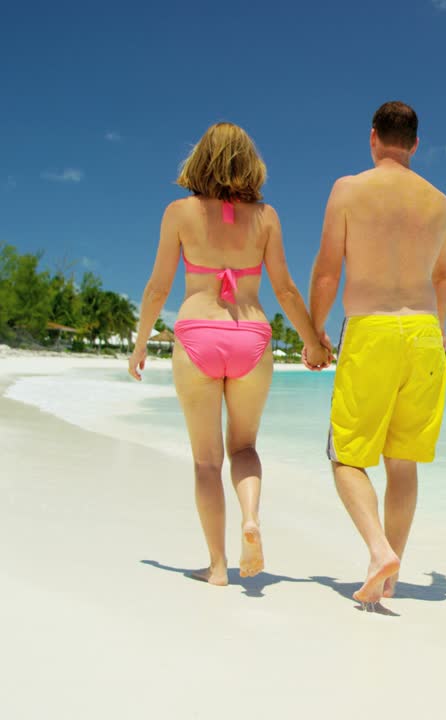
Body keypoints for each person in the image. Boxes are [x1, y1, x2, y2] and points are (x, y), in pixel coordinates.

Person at [130, 122, 330, 586]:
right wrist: (314, 342)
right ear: (249, 162)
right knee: (244, 447)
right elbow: (284, 288)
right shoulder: (267, 217)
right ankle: (251, 517)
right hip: (251, 335)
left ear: (199, 158)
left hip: (197, 332)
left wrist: (140, 343)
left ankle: (218, 567)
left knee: (206, 462)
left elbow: (159, 286)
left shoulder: (178, 213)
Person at [308, 101, 446, 605]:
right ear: (415, 143)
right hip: (424, 331)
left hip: (370, 329)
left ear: (373, 138)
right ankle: (391, 577)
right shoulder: (440, 203)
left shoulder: (348, 190)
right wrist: (438, 331)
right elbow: (443, 279)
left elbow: (328, 270)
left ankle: (377, 550)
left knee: (346, 456)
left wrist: (314, 332)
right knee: (404, 462)